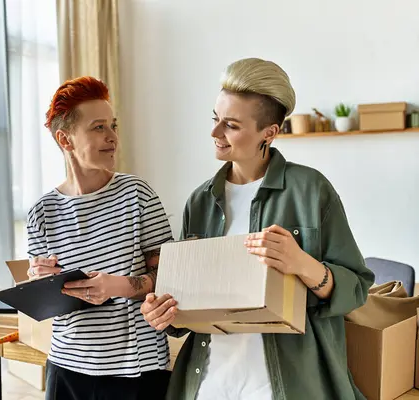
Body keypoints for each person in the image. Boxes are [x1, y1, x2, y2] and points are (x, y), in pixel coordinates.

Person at [140, 58, 375, 400]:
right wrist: (163, 313)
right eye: (215, 119)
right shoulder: (201, 201)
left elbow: (357, 289)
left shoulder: (311, 190)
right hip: (208, 383)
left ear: (269, 132)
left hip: (288, 385)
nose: (215, 133)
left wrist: (303, 265)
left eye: (231, 125)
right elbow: (186, 303)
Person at [26, 76, 174, 400]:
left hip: (136, 370)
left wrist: (117, 286)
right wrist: (39, 281)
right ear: (65, 140)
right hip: (66, 367)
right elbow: (48, 304)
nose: (112, 138)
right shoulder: (41, 212)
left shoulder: (138, 195)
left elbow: (169, 277)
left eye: (113, 125)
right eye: (98, 128)